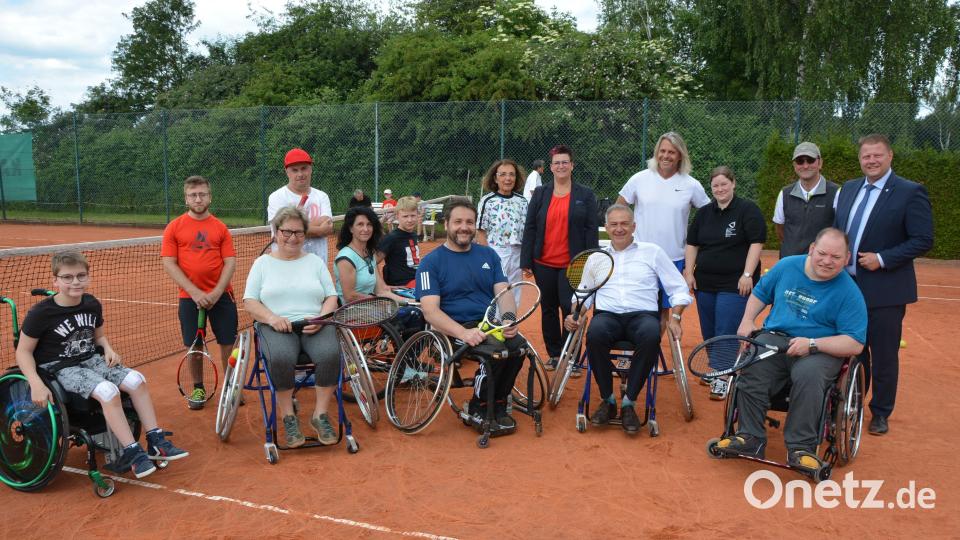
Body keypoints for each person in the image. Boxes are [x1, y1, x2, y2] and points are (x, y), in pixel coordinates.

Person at [17, 251, 188, 479]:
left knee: (137, 381)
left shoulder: (91, 303)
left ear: (88, 277)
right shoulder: (41, 313)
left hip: (91, 359)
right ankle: (132, 452)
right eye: (67, 277)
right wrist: (36, 384)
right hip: (61, 368)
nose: (75, 282)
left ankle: (156, 441)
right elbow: (23, 351)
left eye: (81, 276)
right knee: (109, 392)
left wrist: (107, 348)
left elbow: (98, 337)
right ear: (55, 281)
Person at [715, 228, 867, 472]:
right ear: (811, 250)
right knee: (752, 361)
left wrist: (813, 344)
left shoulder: (849, 292)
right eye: (822, 253)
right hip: (777, 339)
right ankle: (749, 438)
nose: (827, 261)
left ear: (847, 258)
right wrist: (746, 321)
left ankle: (801, 448)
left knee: (808, 375)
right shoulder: (787, 266)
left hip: (821, 348)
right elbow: (760, 293)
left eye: (836, 257)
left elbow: (855, 343)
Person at [833, 133, 934, 436]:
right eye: (866, 156)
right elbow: (839, 230)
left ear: (890, 156)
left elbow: (923, 239)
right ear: (860, 159)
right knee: (853, 349)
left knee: (884, 353)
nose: (872, 161)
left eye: (878, 155)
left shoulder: (910, 191)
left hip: (886, 289)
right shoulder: (849, 189)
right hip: (846, 287)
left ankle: (881, 412)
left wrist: (883, 258)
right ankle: (854, 404)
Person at [564, 205, 691, 433]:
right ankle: (608, 400)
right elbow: (583, 295)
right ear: (607, 227)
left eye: (624, 224)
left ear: (634, 226)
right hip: (607, 316)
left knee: (652, 335)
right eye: (614, 224)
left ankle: (629, 402)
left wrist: (675, 317)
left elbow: (678, 288)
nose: (619, 229)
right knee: (595, 334)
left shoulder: (652, 252)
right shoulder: (596, 258)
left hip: (642, 316)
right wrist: (575, 314)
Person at [416, 197, 527, 433]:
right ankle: (479, 405)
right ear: (445, 224)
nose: (464, 227)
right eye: (457, 221)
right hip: (452, 328)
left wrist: (508, 319)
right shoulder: (430, 263)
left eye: (469, 222)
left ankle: (497, 403)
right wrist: (463, 333)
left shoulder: (489, 255)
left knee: (518, 347)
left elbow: (504, 293)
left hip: (486, 323)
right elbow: (430, 311)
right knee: (495, 352)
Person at [243, 206, 341, 448]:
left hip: (314, 323)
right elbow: (250, 301)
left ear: (305, 235)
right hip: (276, 325)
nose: (293, 237)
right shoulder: (262, 264)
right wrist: (272, 318)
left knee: (331, 354)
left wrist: (320, 319)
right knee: (279, 357)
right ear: (276, 233)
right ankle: (288, 416)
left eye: (298, 232)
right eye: (287, 231)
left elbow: (331, 297)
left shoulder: (315, 262)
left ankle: (320, 415)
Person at [683, 166, 766, 400]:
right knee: (709, 328)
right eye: (715, 185)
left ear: (733, 183)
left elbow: (756, 243)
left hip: (735, 282)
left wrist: (747, 275)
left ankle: (723, 375)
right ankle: (716, 365)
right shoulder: (704, 213)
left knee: (726, 326)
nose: (720, 189)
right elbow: (692, 244)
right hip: (705, 281)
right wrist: (689, 272)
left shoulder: (747, 210)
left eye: (724, 184)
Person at [616, 132, 710, 331]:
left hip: (673, 258)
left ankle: (650, 357)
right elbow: (619, 208)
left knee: (663, 313)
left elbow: (708, 216)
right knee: (638, 308)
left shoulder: (691, 184)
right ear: (656, 152)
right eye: (662, 151)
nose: (666, 156)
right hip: (640, 257)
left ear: (680, 156)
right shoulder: (639, 179)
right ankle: (638, 354)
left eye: (672, 152)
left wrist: (695, 247)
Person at [161, 175, 238, 409]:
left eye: (202, 194)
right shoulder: (174, 227)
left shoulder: (220, 227)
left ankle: (230, 388)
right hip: (189, 299)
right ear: (186, 199)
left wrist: (216, 293)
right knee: (193, 346)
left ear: (209, 197)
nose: (198, 198)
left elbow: (230, 262)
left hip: (222, 298)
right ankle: (198, 388)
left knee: (228, 344)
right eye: (193, 195)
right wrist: (195, 292)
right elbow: (169, 262)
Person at [521, 145, 599, 371]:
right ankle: (554, 354)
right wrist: (526, 261)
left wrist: (590, 261)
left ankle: (571, 356)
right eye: (557, 163)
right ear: (551, 167)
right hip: (543, 263)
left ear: (572, 166)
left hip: (572, 264)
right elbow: (531, 227)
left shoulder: (585, 195)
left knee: (571, 308)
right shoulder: (541, 194)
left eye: (565, 162)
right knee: (548, 309)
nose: (561, 166)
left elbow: (591, 229)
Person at [773, 142, 839, 258]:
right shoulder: (784, 193)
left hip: (821, 263)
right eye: (800, 161)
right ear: (794, 165)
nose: (805, 165)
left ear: (820, 163)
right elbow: (780, 229)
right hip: (790, 261)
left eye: (810, 160)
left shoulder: (836, 192)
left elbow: (840, 230)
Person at [267, 148, 333, 263]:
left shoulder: (322, 196)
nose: (300, 174)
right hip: (287, 265)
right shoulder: (277, 197)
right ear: (287, 171)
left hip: (318, 265)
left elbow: (327, 227)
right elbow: (280, 235)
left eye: (304, 168)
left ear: (311, 169)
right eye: (295, 170)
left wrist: (294, 229)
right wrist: (319, 229)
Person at [477, 159, 528, 304]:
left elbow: (526, 232)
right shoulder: (488, 201)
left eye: (512, 174)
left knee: (515, 291)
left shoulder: (523, 201)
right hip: (497, 252)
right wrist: (486, 257)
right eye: (503, 174)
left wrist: (526, 259)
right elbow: (480, 232)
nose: (508, 178)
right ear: (495, 178)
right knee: (495, 292)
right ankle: (493, 324)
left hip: (517, 253)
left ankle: (510, 325)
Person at [334, 206, 410, 304]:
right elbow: (350, 296)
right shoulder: (346, 258)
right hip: (351, 313)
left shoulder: (369, 253)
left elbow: (381, 290)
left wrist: (410, 302)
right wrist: (380, 302)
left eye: (369, 224)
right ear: (351, 229)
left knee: (414, 311)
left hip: (372, 308)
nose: (366, 229)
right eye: (360, 224)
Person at [376, 196, 422, 289]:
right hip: (402, 287)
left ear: (417, 214)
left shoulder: (412, 234)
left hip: (415, 282)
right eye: (405, 216)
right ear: (397, 216)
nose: (410, 220)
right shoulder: (392, 238)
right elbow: (373, 261)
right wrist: (381, 285)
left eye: (413, 215)